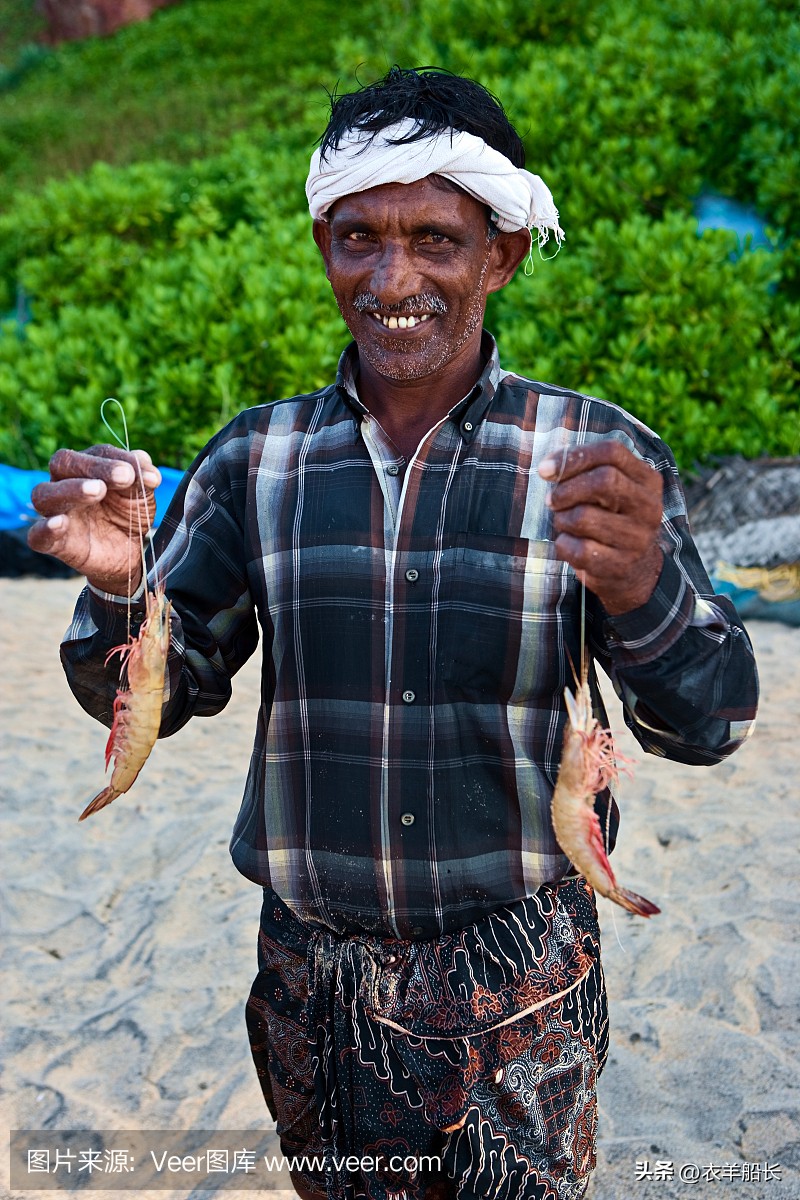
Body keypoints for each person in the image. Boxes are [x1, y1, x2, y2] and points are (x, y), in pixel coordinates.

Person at [29, 67, 758, 1200]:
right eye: (358, 237)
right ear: (324, 247)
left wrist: (641, 586)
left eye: (435, 239)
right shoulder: (251, 461)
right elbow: (142, 704)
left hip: (519, 979)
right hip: (309, 985)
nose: (392, 277)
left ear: (500, 254)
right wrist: (126, 589)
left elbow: (711, 721)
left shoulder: (595, 457)